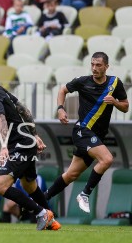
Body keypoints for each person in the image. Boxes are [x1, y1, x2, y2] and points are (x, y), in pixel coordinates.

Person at [0, 60, 61, 230]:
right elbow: (23, 109)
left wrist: (4, 146)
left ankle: (41, 213)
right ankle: (51, 219)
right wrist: (34, 134)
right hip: (26, 142)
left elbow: (1, 119)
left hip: (19, 145)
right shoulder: (0, 89)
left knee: (0, 186)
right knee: (29, 185)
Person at [45, 52, 129, 213]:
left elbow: (126, 106)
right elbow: (62, 91)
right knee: (107, 159)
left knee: (71, 175)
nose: (94, 68)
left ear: (106, 66)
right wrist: (60, 109)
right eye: (92, 64)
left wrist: (115, 102)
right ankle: (84, 194)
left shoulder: (115, 83)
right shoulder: (83, 81)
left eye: (98, 65)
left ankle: (41, 199)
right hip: (82, 130)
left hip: (97, 136)